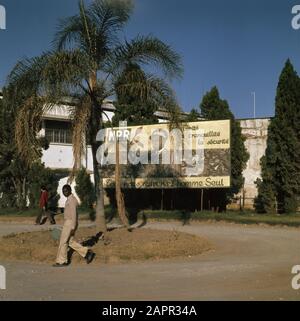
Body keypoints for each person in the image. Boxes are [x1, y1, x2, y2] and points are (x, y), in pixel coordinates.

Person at [53, 185, 95, 267]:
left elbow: (74, 214)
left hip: (70, 223)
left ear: (70, 190)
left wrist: (73, 226)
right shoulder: (70, 199)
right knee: (70, 242)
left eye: (66, 191)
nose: (64, 192)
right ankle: (87, 253)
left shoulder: (71, 200)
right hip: (69, 223)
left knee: (63, 242)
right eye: (63, 191)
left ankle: (62, 261)